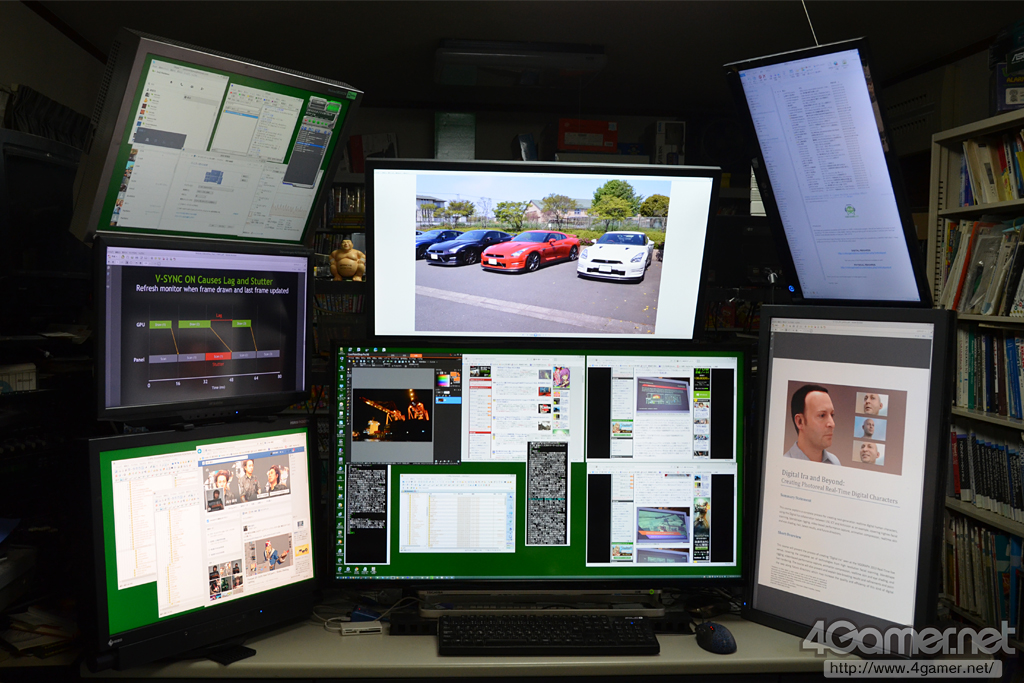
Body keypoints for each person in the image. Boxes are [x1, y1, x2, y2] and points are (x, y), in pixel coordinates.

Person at [784, 384, 841, 465]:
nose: (832, 424)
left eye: (832, 415)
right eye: (822, 415)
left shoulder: (835, 462)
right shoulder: (784, 464)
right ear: (800, 421)